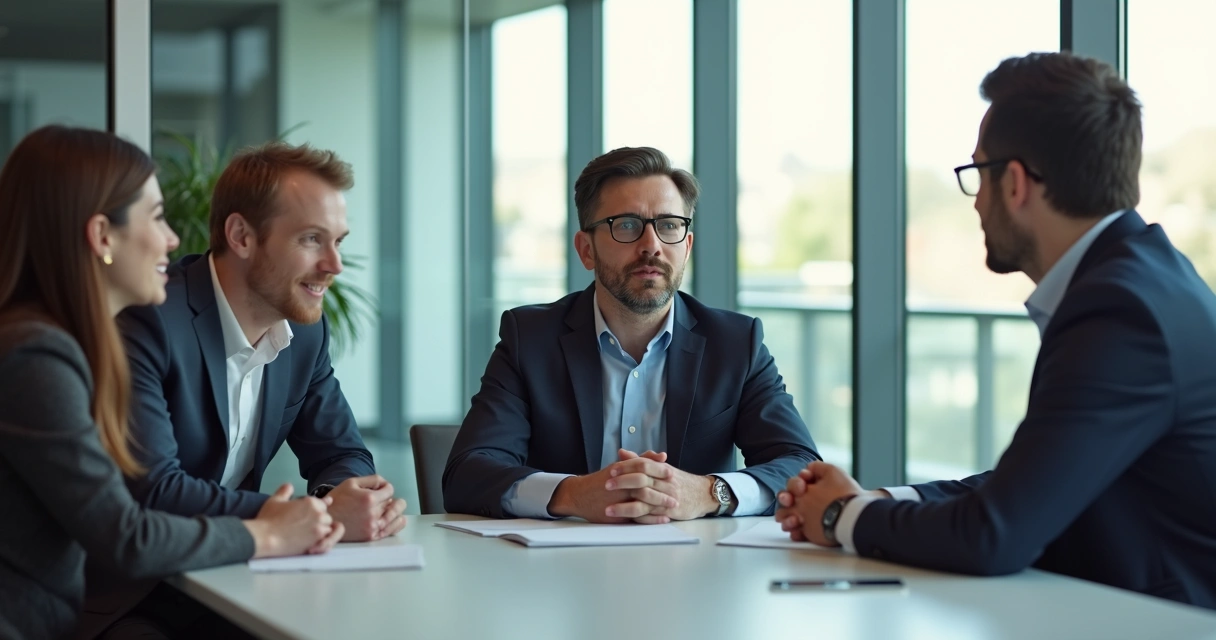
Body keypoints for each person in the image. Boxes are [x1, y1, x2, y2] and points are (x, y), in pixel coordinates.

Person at [775, 52, 1216, 609]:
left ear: (1014, 183)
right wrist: (881, 498)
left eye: (977, 173)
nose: (976, 200)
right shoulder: (1145, 279)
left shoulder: (1121, 312)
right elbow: (1035, 480)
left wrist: (842, 515)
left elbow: (995, 535)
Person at [0, 125, 343, 640]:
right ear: (102, 236)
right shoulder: (35, 356)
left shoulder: (50, 343)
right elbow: (127, 535)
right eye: (157, 217)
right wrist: (272, 531)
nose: (173, 238)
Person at [445, 146, 819, 522]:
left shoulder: (736, 343)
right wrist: (573, 494)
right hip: (563, 568)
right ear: (586, 250)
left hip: (701, 568)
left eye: (669, 225)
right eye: (626, 225)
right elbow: (467, 473)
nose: (652, 246)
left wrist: (709, 492)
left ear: (686, 247)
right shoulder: (530, 339)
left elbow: (800, 467)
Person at [117, 141, 406, 542]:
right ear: (241, 236)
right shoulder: (151, 321)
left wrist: (344, 501)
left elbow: (342, 454)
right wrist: (311, 516)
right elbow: (155, 490)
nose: (334, 265)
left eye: (338, 241)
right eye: (311, 239)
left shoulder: (304, 333)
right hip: (142, 588)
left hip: (242, 569)